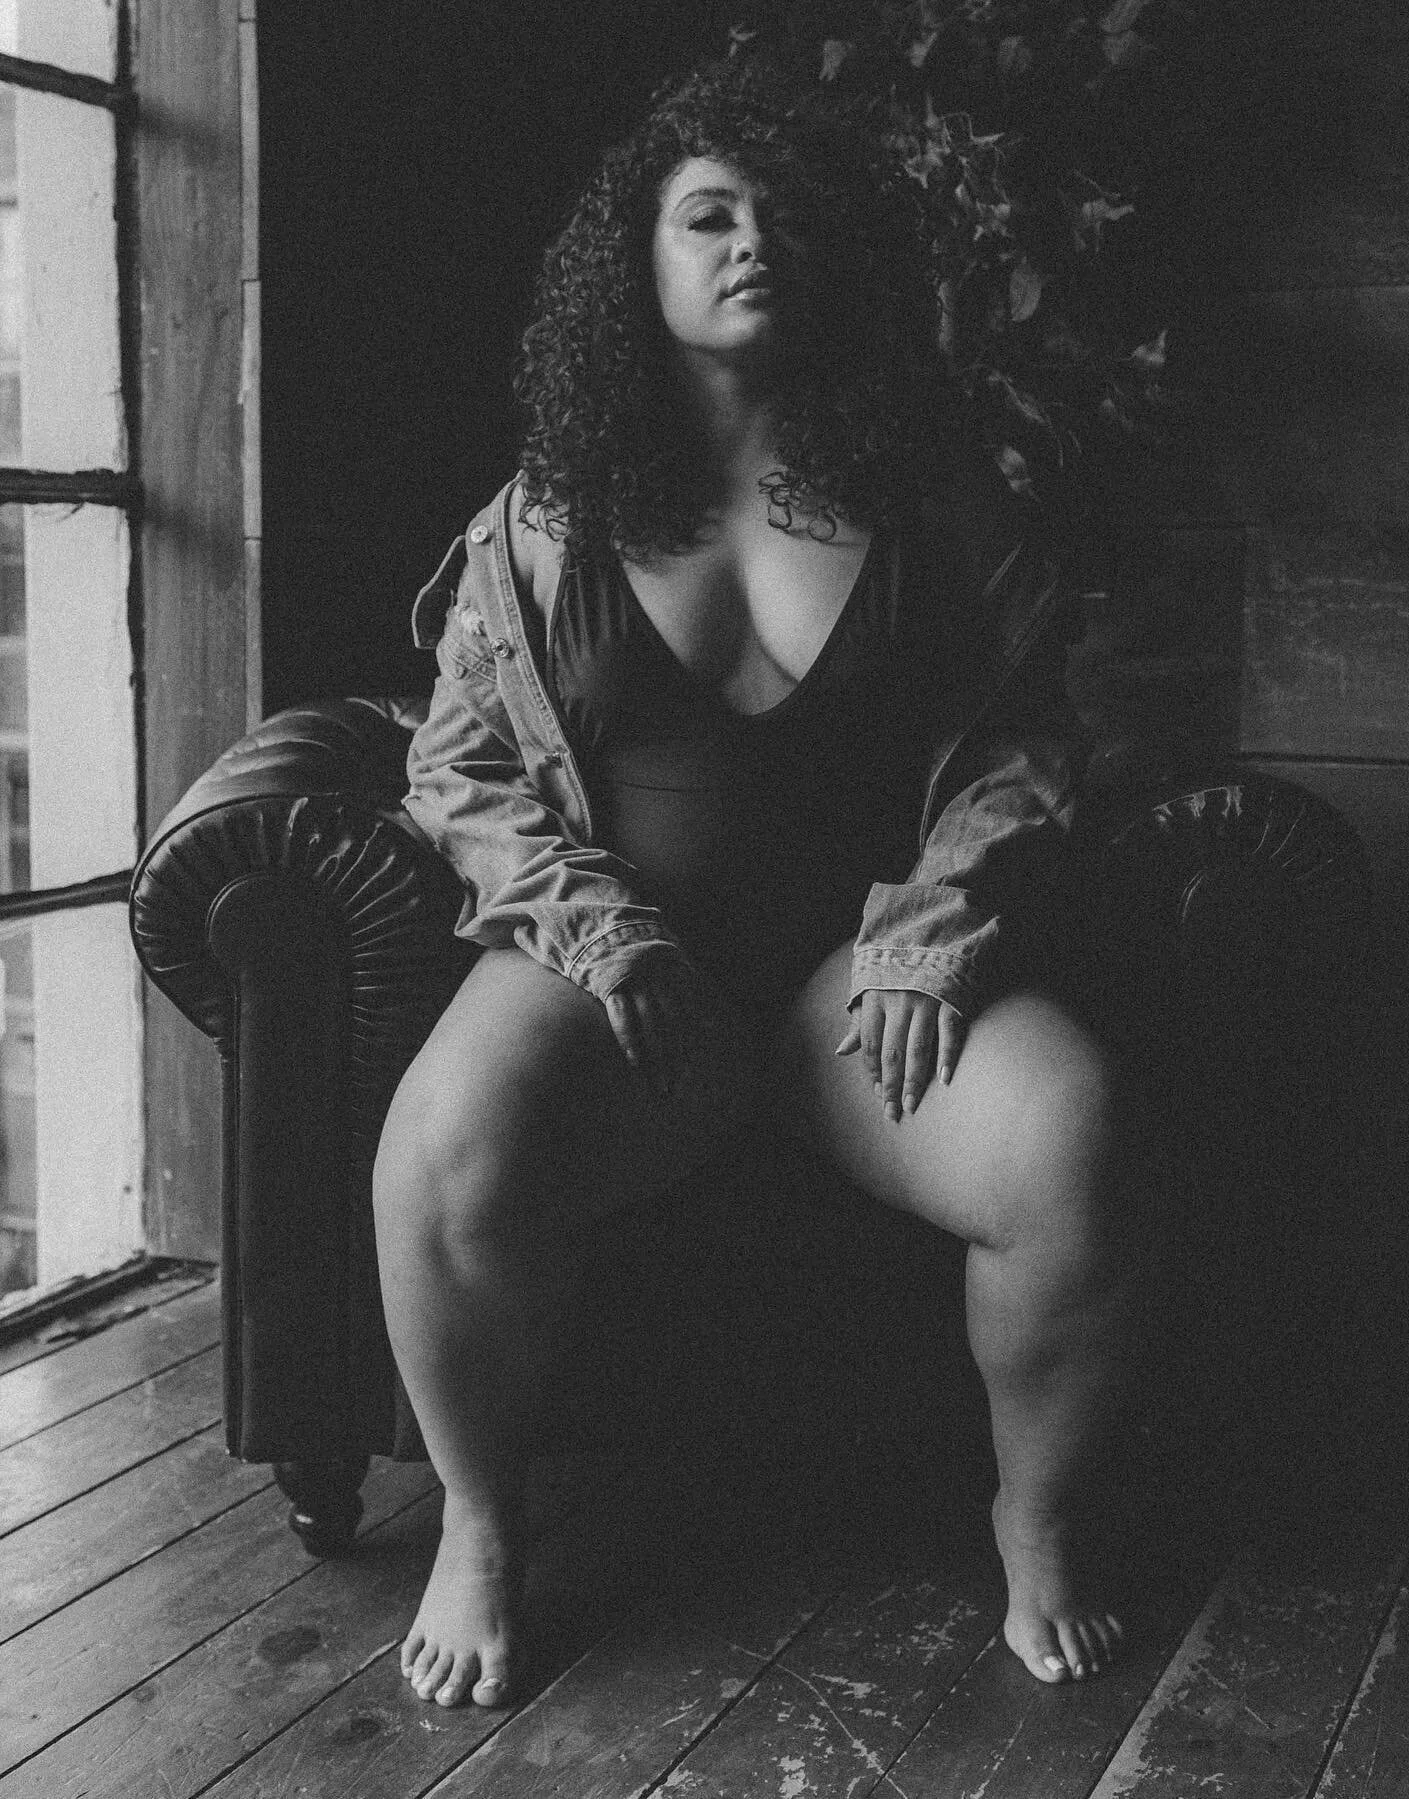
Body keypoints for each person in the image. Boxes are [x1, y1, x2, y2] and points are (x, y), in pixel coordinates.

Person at [373, 58, 1127, 1711]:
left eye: (782, 216)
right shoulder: (548, 518)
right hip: (636, 992)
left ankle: (1038, 1518)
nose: (750, 242)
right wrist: (596, 930)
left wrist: (931, 932)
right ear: (633, 268)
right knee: (440, 1145)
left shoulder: (933, 495)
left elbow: (1024, 743)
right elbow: (459, 766)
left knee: (1069, 1136)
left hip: (857, 997)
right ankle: (483, 1527)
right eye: (707, 216)